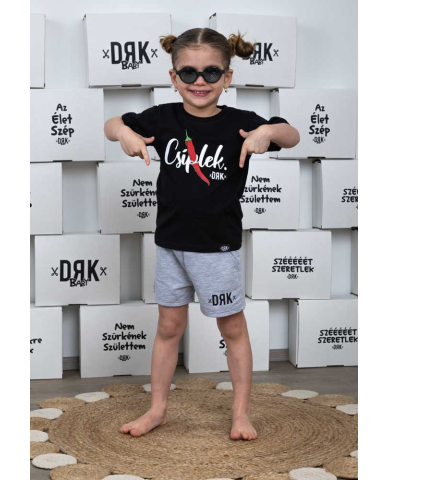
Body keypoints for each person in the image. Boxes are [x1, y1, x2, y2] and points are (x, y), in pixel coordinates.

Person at [104, 27, 300, 441]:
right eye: (188, 73)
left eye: (211, 73)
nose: (199, 81)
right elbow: (112, 123)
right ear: (173, 77)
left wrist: (268, 132)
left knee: (232, 330)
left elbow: (291, 134)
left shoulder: (241, 123)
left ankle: (241, 414)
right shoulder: (163, 117)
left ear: (227, 77)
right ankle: (157, 409)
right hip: (170, 245)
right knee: (168, 328)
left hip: (217, 249)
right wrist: (124, 133)